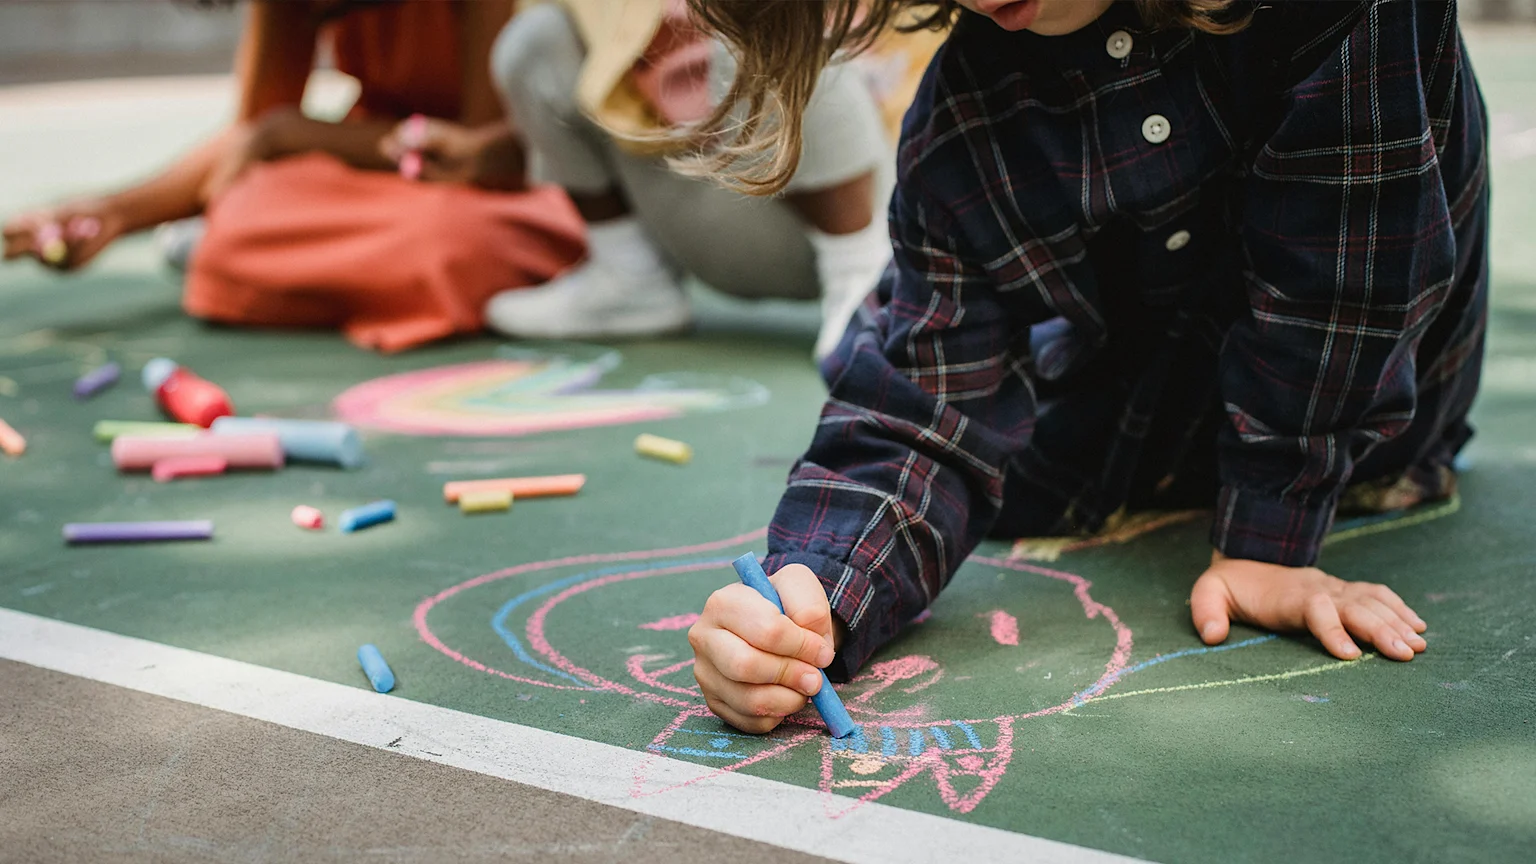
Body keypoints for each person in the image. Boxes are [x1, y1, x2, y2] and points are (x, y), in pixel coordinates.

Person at [681, 0, 1487, 733]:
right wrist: (812, 599)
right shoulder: (970, 112)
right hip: (1127, 431)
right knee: (905, 353)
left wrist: (1269, 536)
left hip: (1363, 436)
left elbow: (1349, 278)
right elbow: (925, 411)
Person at [1, 0, 584, 354]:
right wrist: (112, 213)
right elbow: (249, 142)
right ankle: (349, 277)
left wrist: (298, 134)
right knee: (246, 210)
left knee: (447, 242)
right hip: (387, 177)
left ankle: (317, 276)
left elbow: (485, 152)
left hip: (506, 183)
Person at [487, 0, 944, 358]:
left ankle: (865, 285)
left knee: (760, 21)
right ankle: (629, 277)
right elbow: (581, 82)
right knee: (536, 39)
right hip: (700, 191)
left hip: (864, 204)